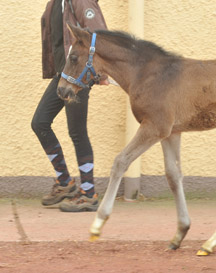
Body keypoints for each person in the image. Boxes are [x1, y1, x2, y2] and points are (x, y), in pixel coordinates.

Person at [31, 0, 108, 212]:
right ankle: (65, 183)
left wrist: (101, 73)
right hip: (63, 75)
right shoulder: (54, 4)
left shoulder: (80, 1)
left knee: (77, 132)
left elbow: (99, 34)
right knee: (40, 123)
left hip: (78, 77)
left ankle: (89, 193)